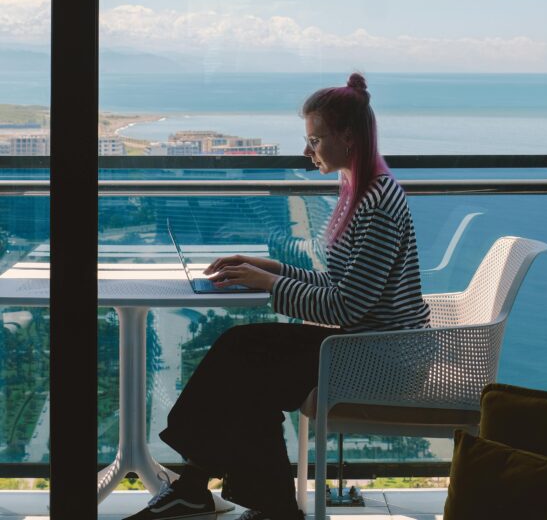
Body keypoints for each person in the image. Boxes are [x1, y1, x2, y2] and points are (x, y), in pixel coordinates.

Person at [125, 73, 430, 520]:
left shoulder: (378, 202)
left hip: (378, 355)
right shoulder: (361, 192)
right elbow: (341, 286)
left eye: (315, 139)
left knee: (243, 357)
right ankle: (241, 498)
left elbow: (346, 306)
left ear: (347, 137)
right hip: (361, 341)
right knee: (244, 356)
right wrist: (271, 269)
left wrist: (269, 285)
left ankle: (221, 491)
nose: (308, 151)